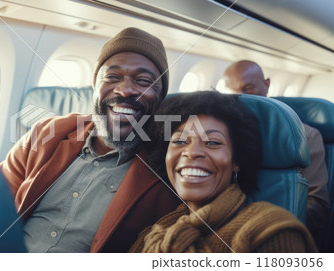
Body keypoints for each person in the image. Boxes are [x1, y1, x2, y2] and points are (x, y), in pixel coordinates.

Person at [0, 27, 180, 252]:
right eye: (112, 77)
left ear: (160, 98)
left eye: (143, 81)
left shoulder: (167, 167)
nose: (125, 90)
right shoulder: (47, 132)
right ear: (96, 86)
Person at [129, 91, 317, 252]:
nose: (192, 152)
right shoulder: (156, 231)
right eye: (179, 141)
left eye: (212, 142)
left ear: (237, 160)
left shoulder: (272, 229)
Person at [223, 60, 330, 240]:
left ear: (267, 85)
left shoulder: (305, 136)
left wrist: (263, 226)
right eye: (232, 93)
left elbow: (318, 206)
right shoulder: (222, 137)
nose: (241, 98)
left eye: (248, 88)